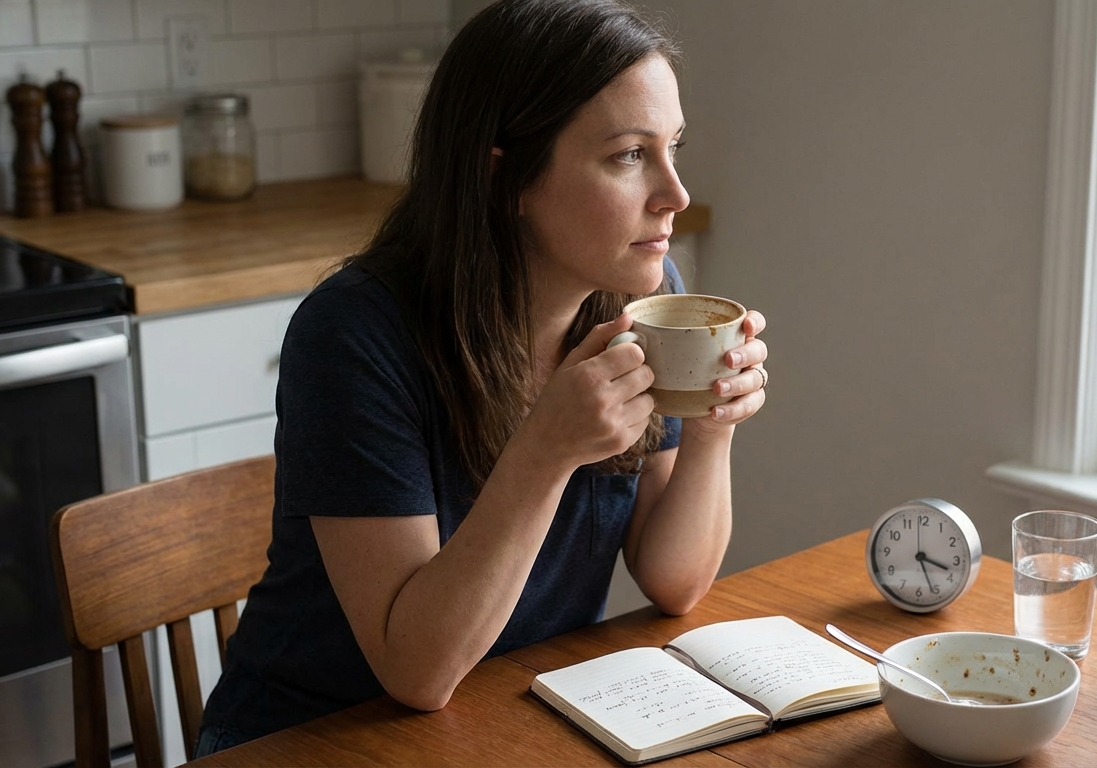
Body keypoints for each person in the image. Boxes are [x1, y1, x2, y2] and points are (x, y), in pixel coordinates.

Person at [194, 0, 768, 755]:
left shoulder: (639, 293)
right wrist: (546, 450)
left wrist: (711, 426)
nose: (675, 194)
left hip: (506, 719)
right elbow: (416, 672)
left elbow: (675, 581)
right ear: (508, 182)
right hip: (311, 741)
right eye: (629, 154)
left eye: (673, 148)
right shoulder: (354, 336)